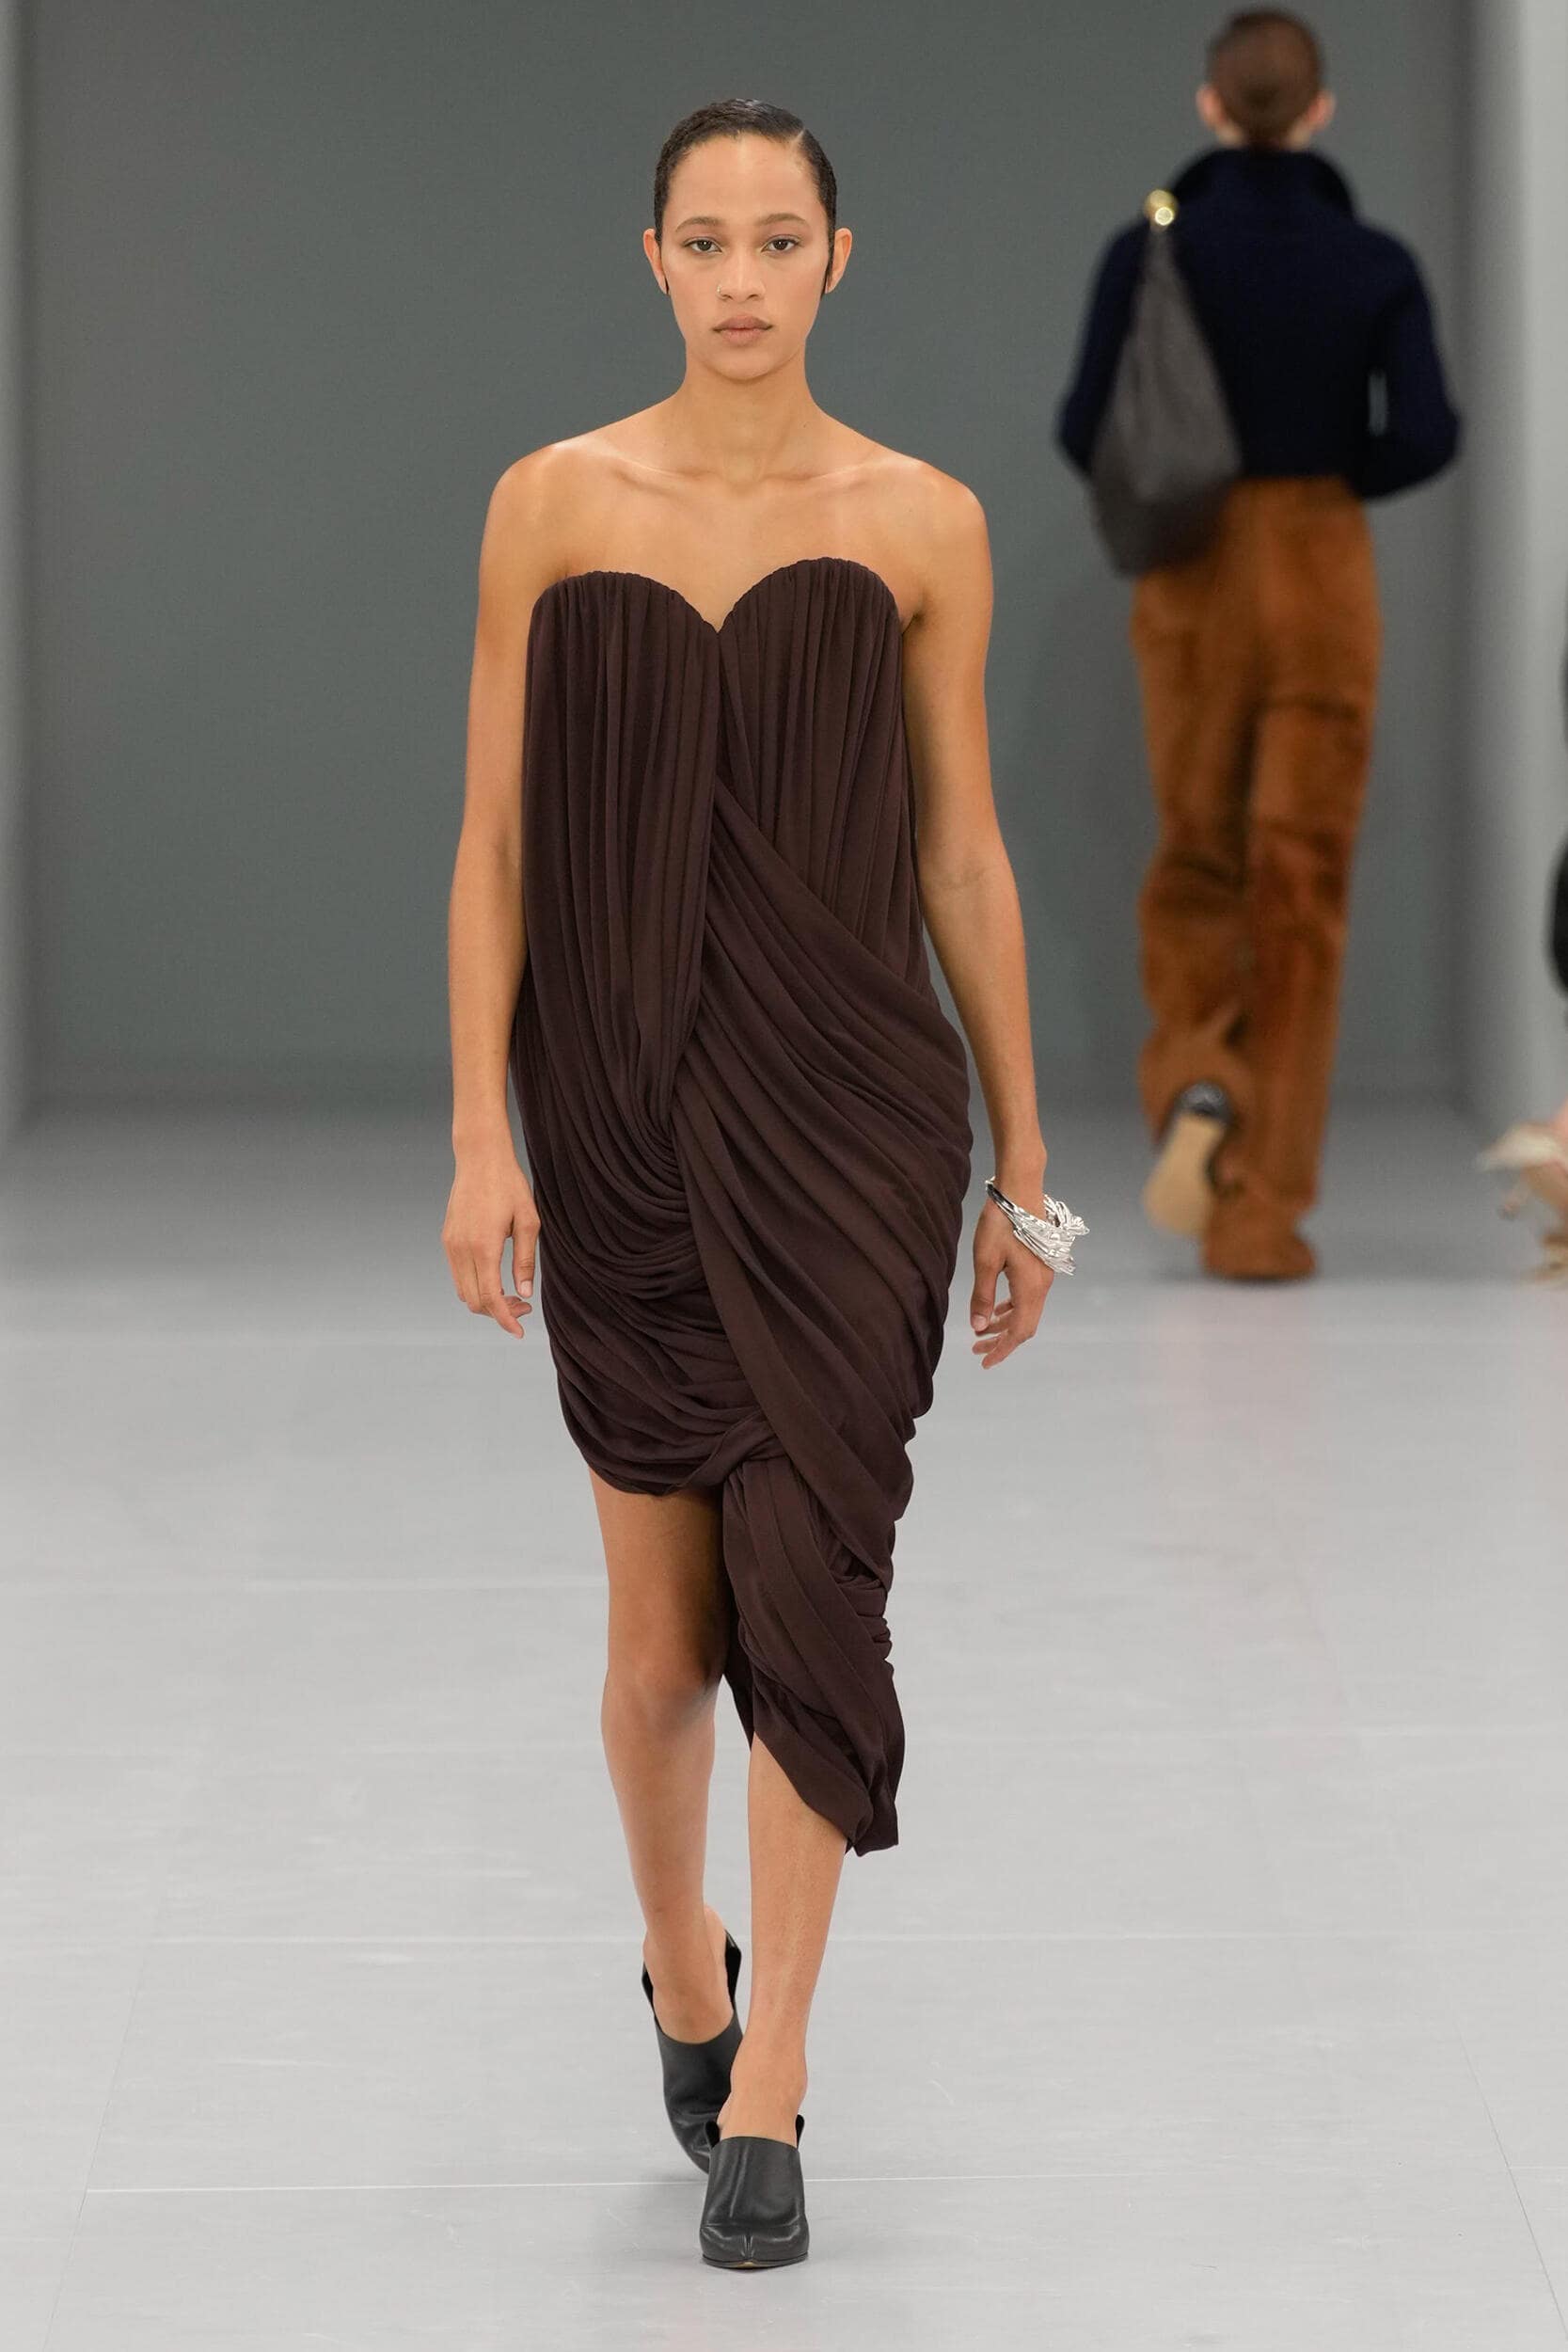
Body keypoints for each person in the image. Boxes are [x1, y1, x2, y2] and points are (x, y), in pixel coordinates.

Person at [440, 98, 1072, 2270]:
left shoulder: (923, 518)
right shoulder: (551, 503)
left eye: (777, 237)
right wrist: (477, 1132)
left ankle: (775, 2078)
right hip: (614, 1108)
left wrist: (1025, 1161)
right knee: (658, 1646)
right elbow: (495, 841)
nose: (739, 275)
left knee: (815, 1592)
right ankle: (680, 1966)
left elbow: (961, 853)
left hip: (852, 1118)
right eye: (703, 238)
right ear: (652, 258)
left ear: (836, 260)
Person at [1057, 9, 1461, 1279]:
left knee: (1196, 859)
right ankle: (1263, 1211)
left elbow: (1085, 425)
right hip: (1325, 567)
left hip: (1193, 576)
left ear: (1213, 106)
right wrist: (1335, 473)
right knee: (1303, 884)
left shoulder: (1151, 249)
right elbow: (1430, 432)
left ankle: (1200, 1078)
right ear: (1322, 110)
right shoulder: (1376, 262)